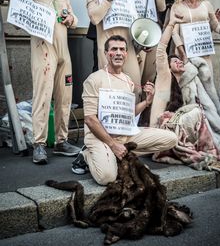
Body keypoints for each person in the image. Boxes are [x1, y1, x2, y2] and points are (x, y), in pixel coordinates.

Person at [2, 0, 80, 164]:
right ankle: (39, 144)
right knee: (42, 96)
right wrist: (11, 0)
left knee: (64, 97)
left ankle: (62, 142)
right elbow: (18, 21)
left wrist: (71, 19)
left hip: (64, 51)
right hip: (43, 51)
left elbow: (74, 18)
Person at [72, 35, 177, 185]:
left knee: (171, 139)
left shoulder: (128, 81)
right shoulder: (94, 79)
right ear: (106, 53)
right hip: (100, 137)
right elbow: (90, 119)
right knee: (106, 178)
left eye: (122, 49)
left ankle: (118, 155)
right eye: (114, 49)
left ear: (127, 54)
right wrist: (113, 145)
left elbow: (127, 114)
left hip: (124, 135)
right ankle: (87, 154)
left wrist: (147, 102)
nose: (119, 53)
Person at [150, 13, 220, 166]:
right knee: (195, 111)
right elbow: (161, 50)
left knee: (198, 110)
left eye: (179, 60)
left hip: (176, 127)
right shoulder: (165, 77)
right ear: (167, 67)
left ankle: (208, 148)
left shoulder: (187, 81)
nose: (178, 62)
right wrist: (171, 24)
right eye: (174, 61)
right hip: (160, 128)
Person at [119, 0, 166, 85]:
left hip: (149, 36)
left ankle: (146, 103)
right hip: (132, 38)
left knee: (148, 79)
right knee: (135, 80)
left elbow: (162, 7)